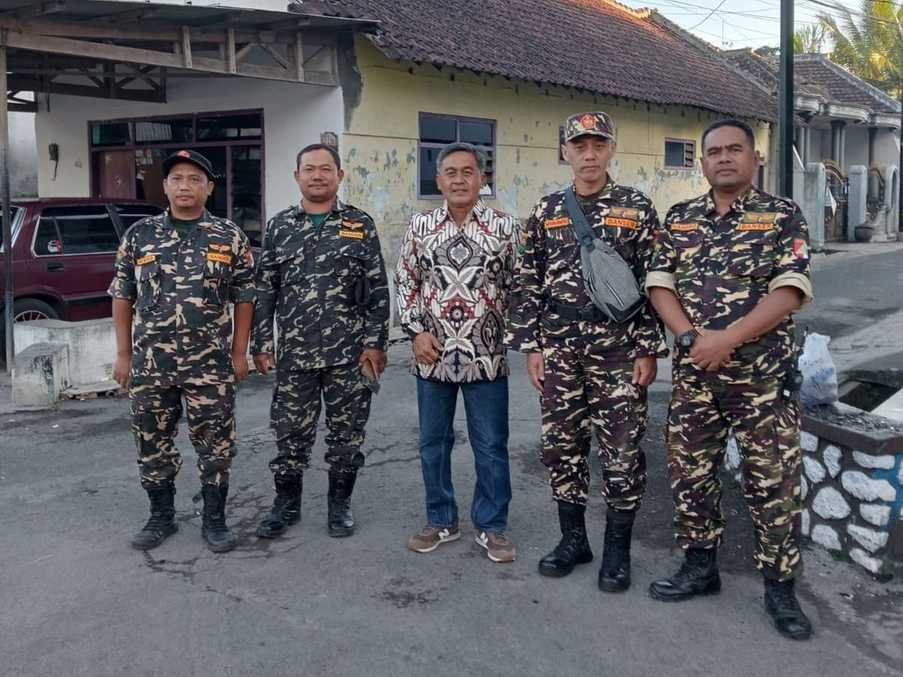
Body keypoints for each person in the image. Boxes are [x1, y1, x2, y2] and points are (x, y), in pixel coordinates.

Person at [645, 119, 814, 641]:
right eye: (713, 151)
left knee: (773, 486)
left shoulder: (781, 216)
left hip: (762, 382)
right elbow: (659, 283)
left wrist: (729, 339)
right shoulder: (681, 218)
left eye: (733, 149)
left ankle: (780, 588)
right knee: (691, 476)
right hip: (697, 378)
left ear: (754, 157)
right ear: (701, 162)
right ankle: (701, 568)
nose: (723, 158)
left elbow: (790, 290)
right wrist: (693, 338)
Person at [507, 112, 666, 589]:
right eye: (580, 145)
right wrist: (531, 345)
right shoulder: (547, 210)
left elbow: (654, 280)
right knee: (562, 446)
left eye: (598, 144)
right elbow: (527, 278)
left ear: (612, 149)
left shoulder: (635, 207)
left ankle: (617, 552)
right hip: (558, 347)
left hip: (618, 350)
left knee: (620, 450)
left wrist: (647, 349)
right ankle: (573, 540)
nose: (590, 154)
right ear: (566, 152)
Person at [110, 149, 255, 553]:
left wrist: (239, 351)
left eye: (194, 179)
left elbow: (245, 297)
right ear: (165, 186)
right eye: (177, 178)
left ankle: (215, 519)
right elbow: (123, 296)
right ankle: (161, 517)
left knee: (216, 444)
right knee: (151, 440)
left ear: (209, 188)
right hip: (151, 364)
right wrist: (123, 354)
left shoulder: (229, 236)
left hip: (211, 365)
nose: (185, 185)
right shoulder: (140, 236)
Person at [252, 143, 389, 539]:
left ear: (339, 176)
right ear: (296, 177)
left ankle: (339, 506)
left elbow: (378, 290)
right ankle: (286, 505)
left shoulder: (359, 224)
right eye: (308, 169)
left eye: (325, 169)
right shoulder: (279, 226)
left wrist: (375, 344)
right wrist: (263, 345)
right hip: (295, 354)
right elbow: (266, 291)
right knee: (289, 434)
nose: (317, 175)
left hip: (349, 354)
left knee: (347, 436)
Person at [395, 142, 520, 563]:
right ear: (438, 180)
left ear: (482, 179)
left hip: (487, 355)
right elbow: (406, 282)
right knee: (434, 442)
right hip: (432, 354)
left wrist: (516, 336)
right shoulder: (420, 227)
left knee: (490, 444)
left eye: (468, 172)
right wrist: (414, 333)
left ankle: (492, 526)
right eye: (451, 172)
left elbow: (522, 287)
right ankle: (441, 520)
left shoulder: (505, 228)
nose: (459, 179)